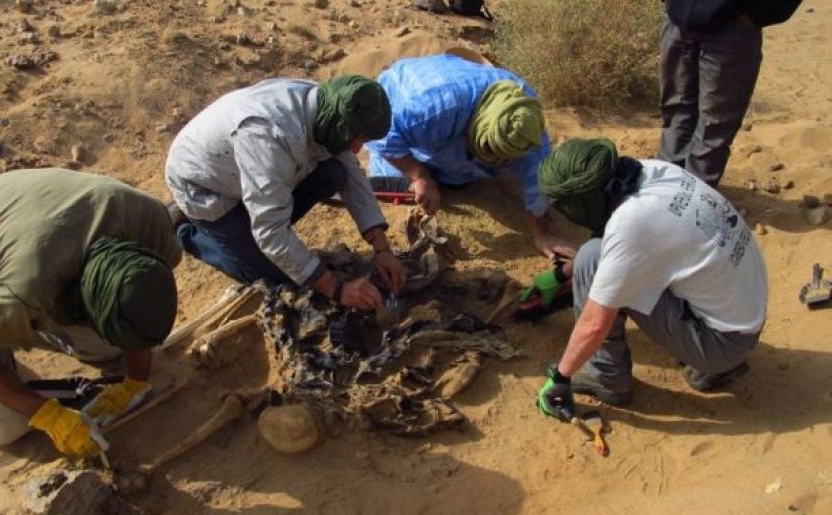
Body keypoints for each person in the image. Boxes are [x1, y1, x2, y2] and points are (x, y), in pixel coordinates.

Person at [0, 169, 181, 458]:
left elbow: (139, 311)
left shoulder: (153, 229)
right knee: (6, 425)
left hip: (23, 235)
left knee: (113, 351)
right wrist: (47, 415)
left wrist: (134, 384)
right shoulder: (31, 287)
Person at [534, 139, 767, 420]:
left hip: (721, 344)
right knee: (597, 257)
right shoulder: (652, 172)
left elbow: (594, 324)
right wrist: (559, 275)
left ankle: (607, 378)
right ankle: (715, 366)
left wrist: (561, 377)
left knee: (592, 260)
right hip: (746, 317)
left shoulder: (631, 224)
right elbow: (620, 237)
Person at [166, 75, 405, 311]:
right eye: (357, 139)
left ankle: (252, 217)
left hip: (245, 172)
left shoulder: (329, 106)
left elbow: (352, 173)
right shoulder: (268, 137)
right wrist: (336, 288)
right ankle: (187, 231)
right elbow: (270, 234)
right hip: (204, 185)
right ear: (338, 123)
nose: (357, 148)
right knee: (277, 276)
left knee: (336, 171)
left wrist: (381, 248)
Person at [363, 51, 574, 259]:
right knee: (398, 182)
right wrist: (419, 176)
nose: (498, 161)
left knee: (461, 176)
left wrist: (542, 234)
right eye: (491, 150)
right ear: (477, 127)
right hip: (399, 96)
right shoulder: (429, 112)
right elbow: (380, 135)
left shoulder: (525, 123)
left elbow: (536, 180)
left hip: (455, 111)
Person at [658, 0, 803, 187]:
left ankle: (694, 203)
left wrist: (756, 15)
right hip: (677, 21)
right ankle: (662, 194)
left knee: (713, 130)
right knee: (675, 114)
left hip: (732, 30)